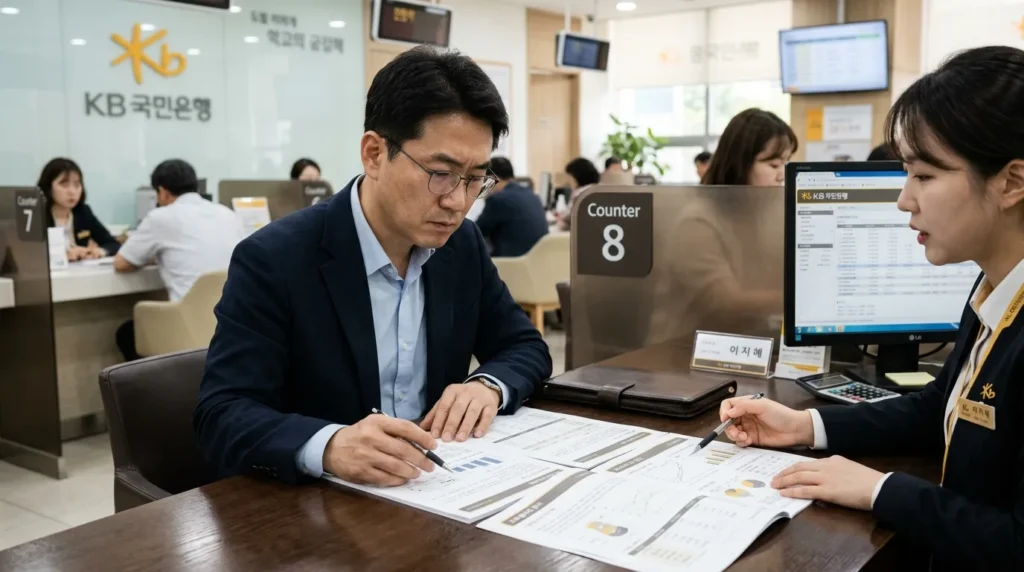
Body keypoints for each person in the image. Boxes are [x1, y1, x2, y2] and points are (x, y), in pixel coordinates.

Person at [718, 46, 1024, 570]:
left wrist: (882, 490)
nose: (904, 199)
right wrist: (804, 425)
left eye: (924, 176)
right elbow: (939, 407)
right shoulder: (993, 287)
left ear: (1011, 182)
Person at [193, 46, 551, 487]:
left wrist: (487, 386)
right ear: (374, 153)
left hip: (437, 485)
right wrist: (329, 445)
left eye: (475, 178)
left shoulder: (462, 245)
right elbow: (222, 413)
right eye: (440, 173)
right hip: (322, 502)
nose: (458, 202)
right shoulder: (275, 258)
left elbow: (524, 345)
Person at [113, 159, 244, 360]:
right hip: (233, 324)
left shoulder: (160, 217)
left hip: (188, 328)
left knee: (126, 333)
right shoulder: (227, 214)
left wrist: (155, 255)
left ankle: (167, 380)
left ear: (162, 192)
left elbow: (122, 263)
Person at [38, 158, 120, 260]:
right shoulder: (37, 216)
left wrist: (99, 251)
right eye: (64, 185)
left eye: (77, 185)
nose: (72, 191)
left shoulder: (83, 212)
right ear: (48, 187)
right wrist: (63, 255)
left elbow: (113, 244)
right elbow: (29, 253)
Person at [701, 109, 796, 186]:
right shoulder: (701, 203)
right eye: (774, 165)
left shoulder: (780, 202)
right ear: (740, 165)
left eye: (786, 164)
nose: (782, 176)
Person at [475, 157, 548, 257]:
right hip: (536, 259)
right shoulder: (532, 195)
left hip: (510, 262)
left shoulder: (498, 199)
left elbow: (477, 231)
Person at [556, 157, 601, 231]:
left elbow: (567, 220)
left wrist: (559, 219)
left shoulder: (580, 194)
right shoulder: (599, 190)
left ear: (577, 176)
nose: (568, 181)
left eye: (569, 177)